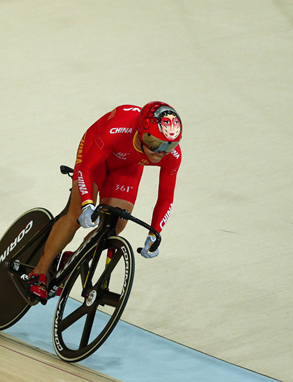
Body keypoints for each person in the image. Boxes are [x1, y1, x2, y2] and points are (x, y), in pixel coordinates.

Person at [26, 101, 183, 304]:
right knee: (76, 216)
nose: (161, 151)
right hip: (96, 152)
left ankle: (74, 258)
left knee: (116, 224)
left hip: (127, 165)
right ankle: (39, 272)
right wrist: (87, 204)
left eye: (169, 145)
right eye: (155, 144)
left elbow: (166, 197)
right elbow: (87, 168)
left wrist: (155, 233)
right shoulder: (119, 127)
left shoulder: (172, 156)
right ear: (141, 132)